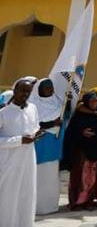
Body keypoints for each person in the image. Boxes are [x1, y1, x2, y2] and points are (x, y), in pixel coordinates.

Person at [63, 91, 97, 210]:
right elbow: (71, 132)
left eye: (96, 101)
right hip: (81, 150)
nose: (94, 103)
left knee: (91, 178)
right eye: (92, 101)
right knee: (79, 176)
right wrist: (81, 132)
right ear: (86, 102)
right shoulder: (79, 114)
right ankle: (76, 202)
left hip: (95, 150)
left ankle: (88, 201)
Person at [0, 77, 40, 227]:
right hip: (9, 161)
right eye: (22, 91)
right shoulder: (4, 113)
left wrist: (36, 134)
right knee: (8, 194)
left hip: (28, 159)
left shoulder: (33, 109)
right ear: (14, 90)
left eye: (28, 91)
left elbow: (35, 126)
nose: (25, 94)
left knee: (27, 192)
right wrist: (19, 140)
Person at [30, 77, 65, 215]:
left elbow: (64, 119)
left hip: (53, 145)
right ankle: (35, 207)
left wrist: (67, 106)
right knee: (37, 176)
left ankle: (49, 206)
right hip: (39, 145)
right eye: (46, 88)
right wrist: (52, 124)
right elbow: (34, 124)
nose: (50, 90)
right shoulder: (33, 105)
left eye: (51, 87)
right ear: (39, 90)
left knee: (50, 176)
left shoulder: (58, 103)